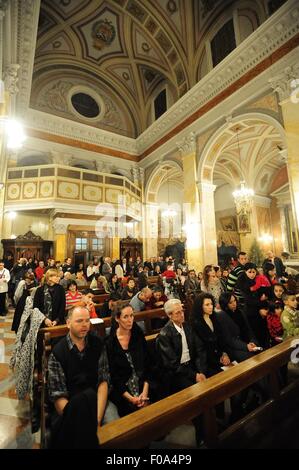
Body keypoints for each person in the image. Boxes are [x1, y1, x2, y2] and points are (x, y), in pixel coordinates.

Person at [47, 306, 118, 449]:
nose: (85, 325)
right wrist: (81, 421)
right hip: (71, 405)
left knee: (114, 430)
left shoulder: (97, 344)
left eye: (87, 321)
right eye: (79, 321)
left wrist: (96, 420)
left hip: (97, 400)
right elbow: (58, 395)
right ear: (68, 323)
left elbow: (103, 381)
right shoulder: (58, 351)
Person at [156, 299, 207, 446]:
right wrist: (194, 375)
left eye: (182, 311)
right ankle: (202, 436)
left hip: (192, 367)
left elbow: (199, 349)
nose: (182, 314)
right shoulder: (165, 334)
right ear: (170, 315)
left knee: (214, 382)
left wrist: (200, 370)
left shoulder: (187, 326)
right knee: (197, 396)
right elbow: (171, 364)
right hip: (176, 374)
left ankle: (215, 423)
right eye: (178, 312)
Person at [106, 303, 153, 417]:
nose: (130, 320)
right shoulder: (110, 342)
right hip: (124, 391)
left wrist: (145, 391)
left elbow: (148, 364)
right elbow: (114, 376)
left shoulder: (138, 334)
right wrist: (131, 398)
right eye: (125, 317)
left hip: (144, 384)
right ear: (117, 319)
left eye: (132, 316)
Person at [191, 293, 231, 377]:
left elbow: (221, 339)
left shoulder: (214, 317)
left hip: (220, 355)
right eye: (207, 305)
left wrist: (224, 354)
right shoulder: (195, 324)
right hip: (208, 361)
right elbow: (201, 349)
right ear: (200, 307)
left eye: (211, 304)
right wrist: (219, 359)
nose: (211, 307)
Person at [217, 292, 259, 362]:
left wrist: (253, 341)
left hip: (247, 343)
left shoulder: (240, 312)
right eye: (230, 302)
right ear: (225, 304)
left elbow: (249, 330)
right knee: (252, 359)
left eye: (235, 301)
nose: (234, 304)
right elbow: (229, 339)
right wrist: (246, 346)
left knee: (262, 354)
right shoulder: (222, 316)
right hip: (235, 348)